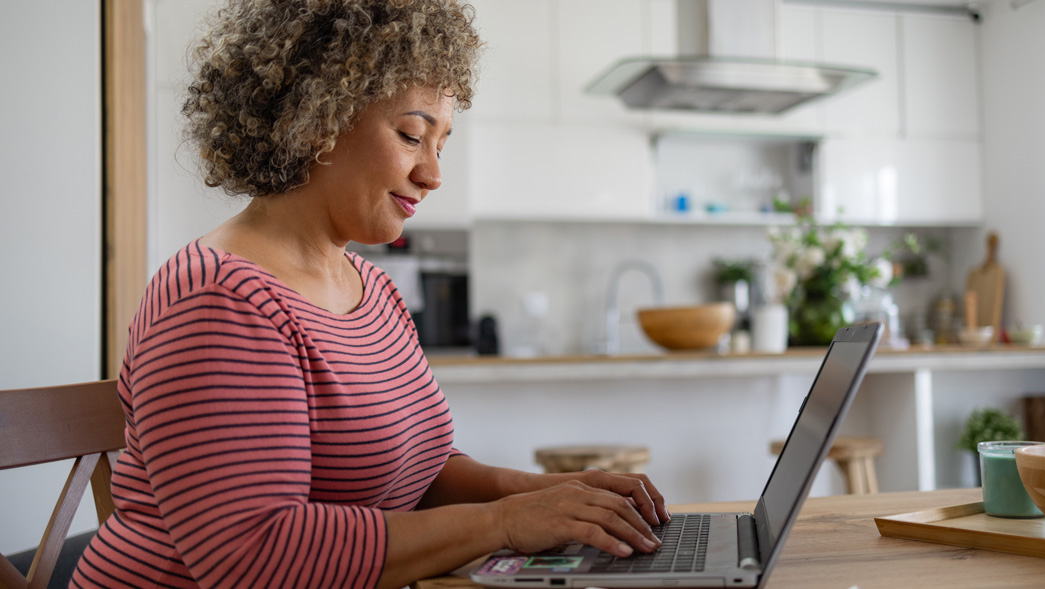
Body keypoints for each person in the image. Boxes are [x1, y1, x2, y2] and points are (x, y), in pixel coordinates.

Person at [71, 1, 670, 587]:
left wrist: (548, 496)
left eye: (443, 144)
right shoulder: (219, 299)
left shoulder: (372, 290)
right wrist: (504, 523)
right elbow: (251, 558)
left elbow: (421, 476)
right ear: (316, 120)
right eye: (413, 135)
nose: (433, 174)